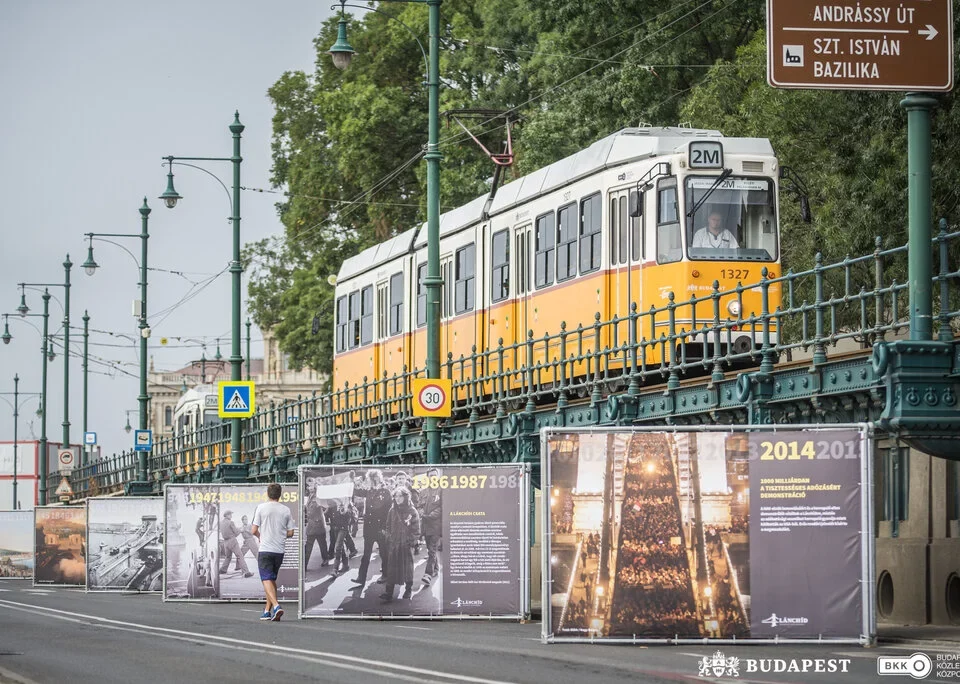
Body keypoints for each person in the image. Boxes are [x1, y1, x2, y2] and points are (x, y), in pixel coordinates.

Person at [251, 483, 296, 621]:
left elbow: (253, 530)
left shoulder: (261, 508)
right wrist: (280, 534)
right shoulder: (286, 510)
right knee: (271, 580)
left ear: (267, 493)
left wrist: (260, 536)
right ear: (280, 494)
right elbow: (291, 532)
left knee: (266, 579)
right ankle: (266, 611)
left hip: (265, 549)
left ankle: (276, 606)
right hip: (279, 550)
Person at [352, 469, 392, 586]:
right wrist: (351, 480)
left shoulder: (386, 492)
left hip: (381, 527)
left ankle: (385, 574)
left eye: (375, 478)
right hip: (369, 528)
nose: (374, 480)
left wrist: (386, 528)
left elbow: (389, 512)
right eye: (371, 478)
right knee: (366, 554)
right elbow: (356, 491)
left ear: (379, 478)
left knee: (384, 553)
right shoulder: (368, 491)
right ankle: (361, 577)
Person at [380, 487, 421, 603]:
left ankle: (408, 589)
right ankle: (389, 592)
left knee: (407, 568)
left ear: (406, 497)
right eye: (396, 496)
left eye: (400, 496)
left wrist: (410, 542)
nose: (397, 499)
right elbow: (387, 526)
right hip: (394, 544)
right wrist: (389, 537)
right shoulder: (392, 511)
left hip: (406, 546)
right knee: (391, 568)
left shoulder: (412, 511)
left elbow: (416, 530)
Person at [419, 467, 443, 587]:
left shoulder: (442, 490)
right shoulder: (423, 492)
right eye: (430, 475)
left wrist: (430, 515)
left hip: (436, 526)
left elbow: (442, 507)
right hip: (425, 526)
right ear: (427, 477)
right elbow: (419, 506)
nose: (432, 477)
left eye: (435, 475)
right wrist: (421, 512)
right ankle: (436, 569)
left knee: (432, 550)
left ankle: (427, 574)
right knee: (430, 550)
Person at [303, 483, 331, 570]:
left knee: (320, 543)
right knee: (314, 544)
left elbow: (327, 506)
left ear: (314, 488)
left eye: (310, 486)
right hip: (312, 524)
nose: (308, 487)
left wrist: (322, 514)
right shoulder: (309, 497)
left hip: (318, 525)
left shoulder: (319, 496)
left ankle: (305, 565)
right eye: (308, 486)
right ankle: (305, 564)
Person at [218, 510, 252, 578]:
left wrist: (236, 530)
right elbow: (236, 533)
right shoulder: (231, 522)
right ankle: (246, 572)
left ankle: (223, 570)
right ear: (227, 515)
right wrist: (241, 530)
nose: (231, 516)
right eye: (230, 514)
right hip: (232, 541)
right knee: (240, 556)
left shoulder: (221, 523)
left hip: (225, 542)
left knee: (228, 557)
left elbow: (227, 531)